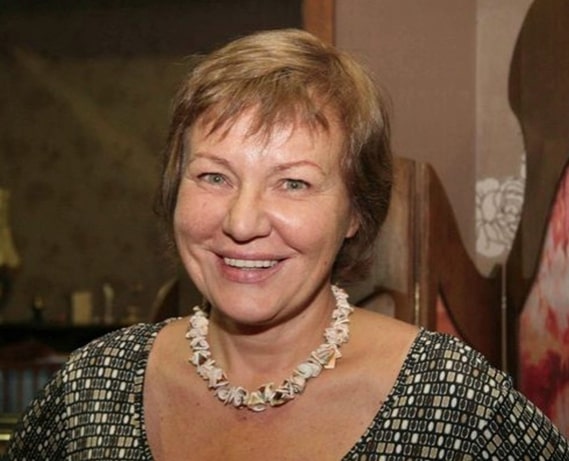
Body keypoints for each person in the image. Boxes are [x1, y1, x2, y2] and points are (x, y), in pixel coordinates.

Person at [5, 28, 568, 460]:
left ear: (355, 211)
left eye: (293, 183)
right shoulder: (91, 390)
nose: (242, 221)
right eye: (214, 176)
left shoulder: (451, 399)